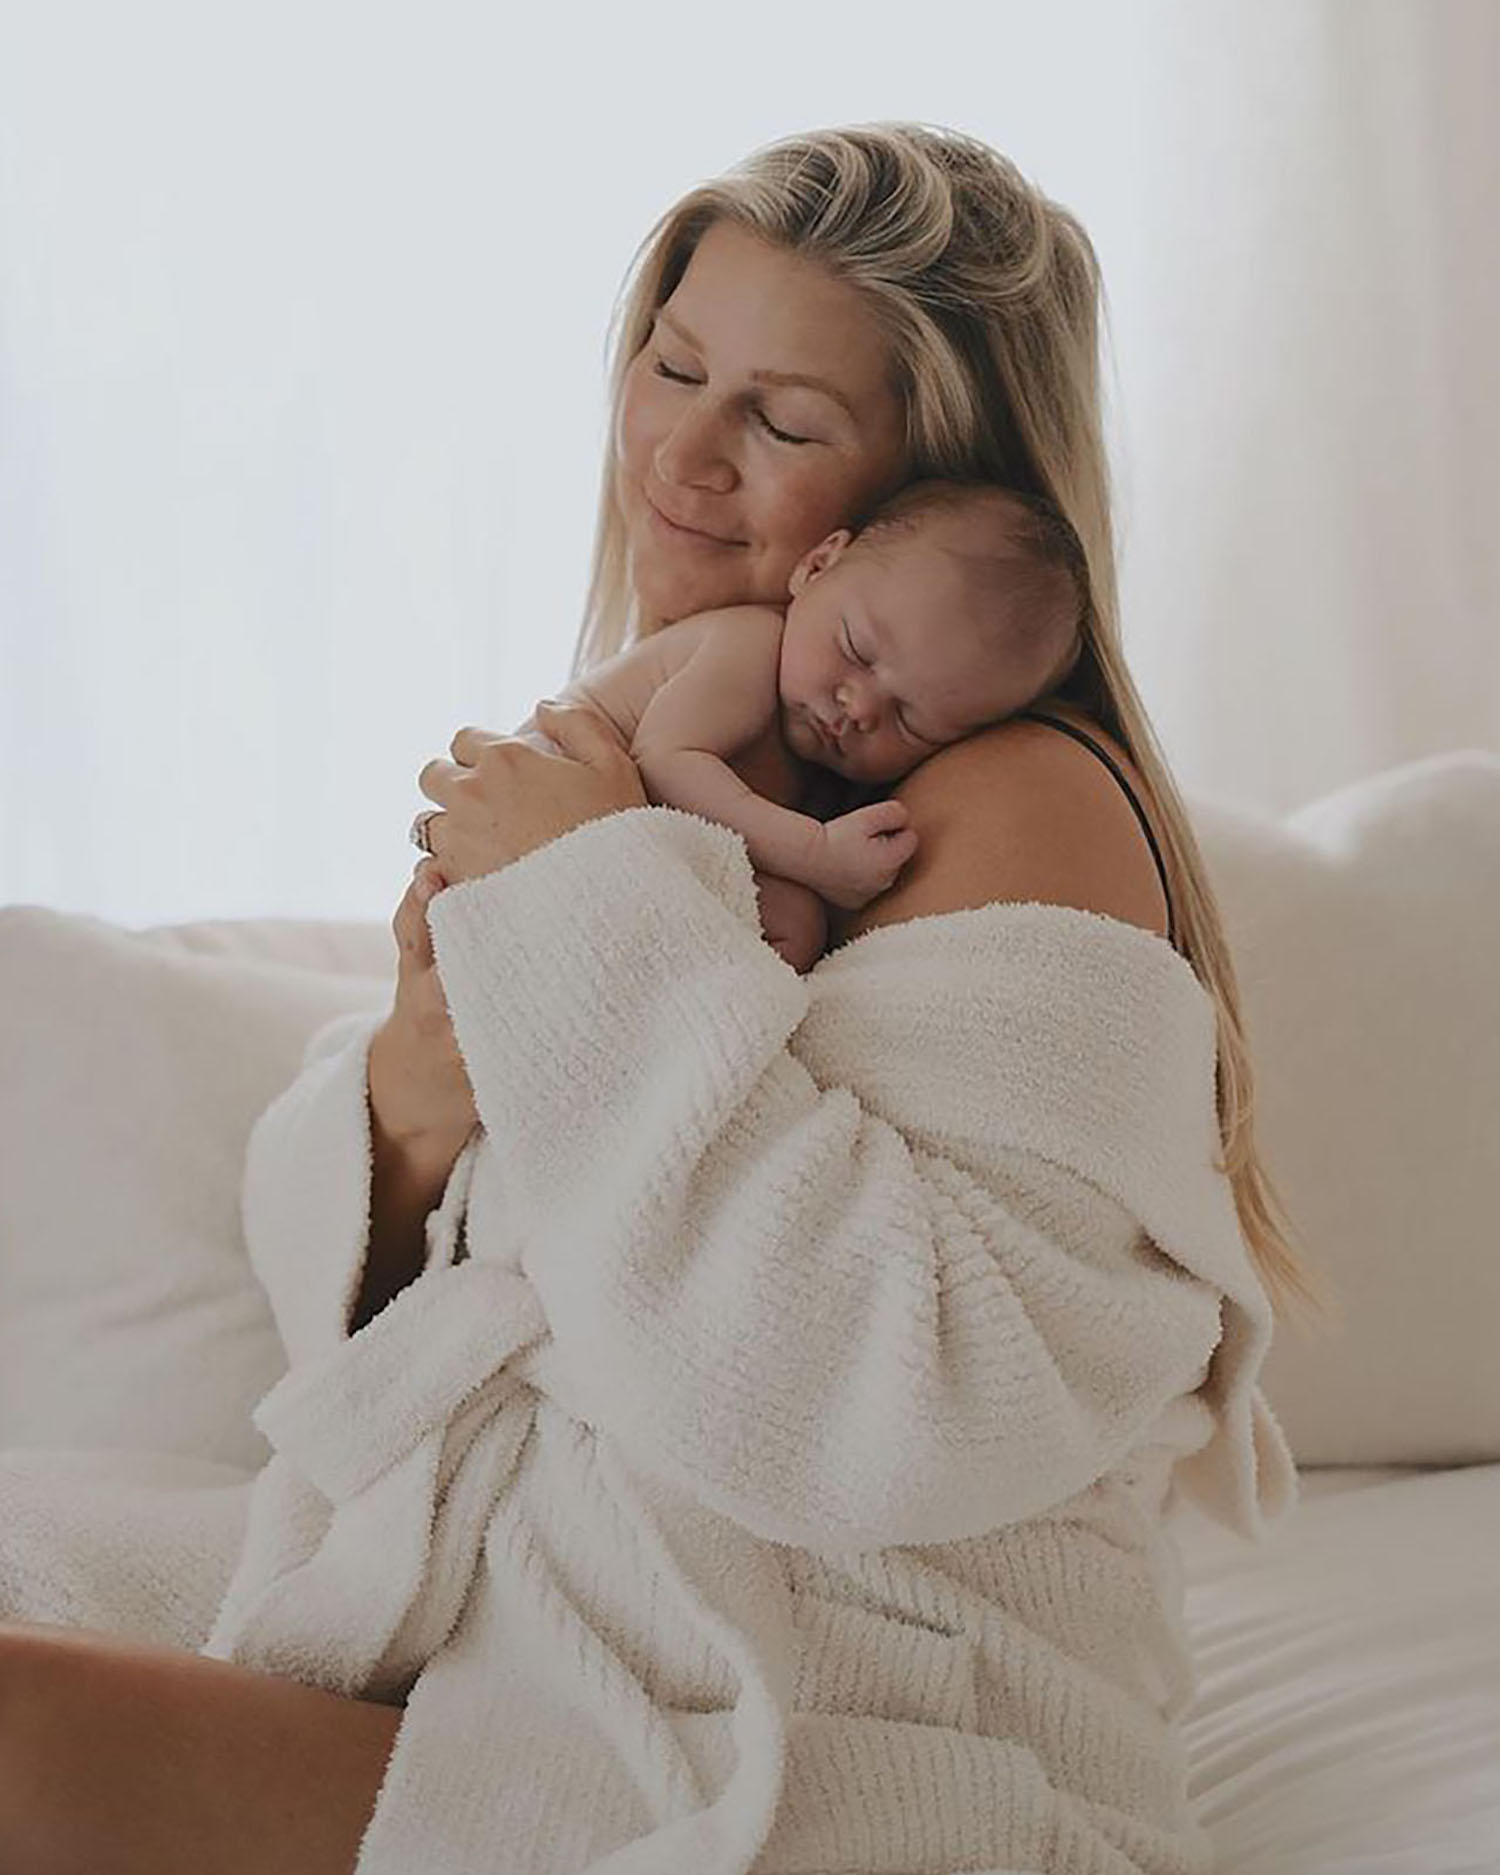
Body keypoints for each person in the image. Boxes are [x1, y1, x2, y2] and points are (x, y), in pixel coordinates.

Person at [0, 122, 1337, 1874]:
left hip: (850, 1710)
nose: (679, 457)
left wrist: (582, 897)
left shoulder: (1010, 800)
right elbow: (425, 1277)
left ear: (921, 501)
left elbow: (890, 1396)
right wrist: (416, 1083)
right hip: (545, 1601)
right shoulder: (681, 758)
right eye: (674, 364)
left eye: (780, 420)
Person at [501, 477, 1088, 972]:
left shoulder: (827, 770)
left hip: (605, 865)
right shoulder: (749, 645)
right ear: (817, 566)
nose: (859, 708)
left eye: (911, 720)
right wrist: (813, 852)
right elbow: (664, 763)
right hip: (521, 820)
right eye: (856, 649)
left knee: (794, 925)